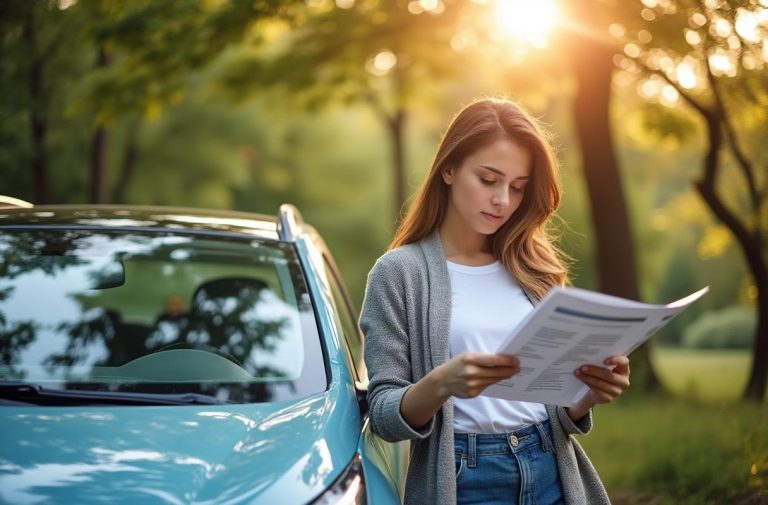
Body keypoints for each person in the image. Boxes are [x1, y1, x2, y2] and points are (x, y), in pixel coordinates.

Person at [359, 97, 631, 505]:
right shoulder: (399, 273)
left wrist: (590, 392)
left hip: (549, 466)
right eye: (488, 180)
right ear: (448, 169)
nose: (503, 200)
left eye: (518, 187)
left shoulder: (535, 267)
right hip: (465, 478)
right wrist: (441, 383)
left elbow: (553, 403)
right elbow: (383, 415)